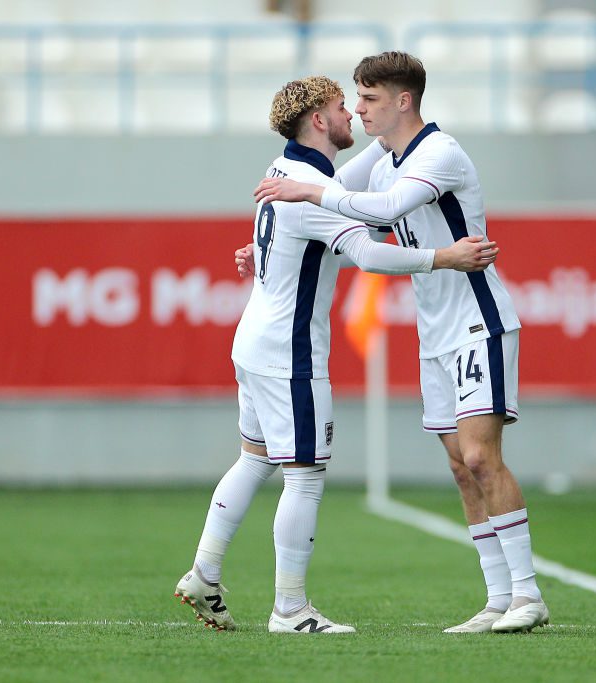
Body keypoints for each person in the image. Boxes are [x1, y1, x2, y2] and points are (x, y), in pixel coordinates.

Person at [174, 75, 499, 635]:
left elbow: (329, 221)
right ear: (319, 122)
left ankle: (205, 571)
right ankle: (290, 609)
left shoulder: (286, 172)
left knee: (254, 459)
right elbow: (369, 253)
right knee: (304, 475)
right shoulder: (307, 187)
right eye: (341, 107)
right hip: (289, 352)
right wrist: (443, 257)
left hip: (253, 340)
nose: (351, 113)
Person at [250, 51, 550, 633]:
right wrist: (271, 244)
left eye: (369, 99)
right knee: (461, 469)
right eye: (355, 100)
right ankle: (496, 599)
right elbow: (336, 191)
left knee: (482, 457)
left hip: (477, 318)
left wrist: (308, 198)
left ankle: (528, 595)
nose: (357, 109)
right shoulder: (383, 155)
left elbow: (373, 207)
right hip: (433, 332)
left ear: (403, 101)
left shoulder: (440, 153)